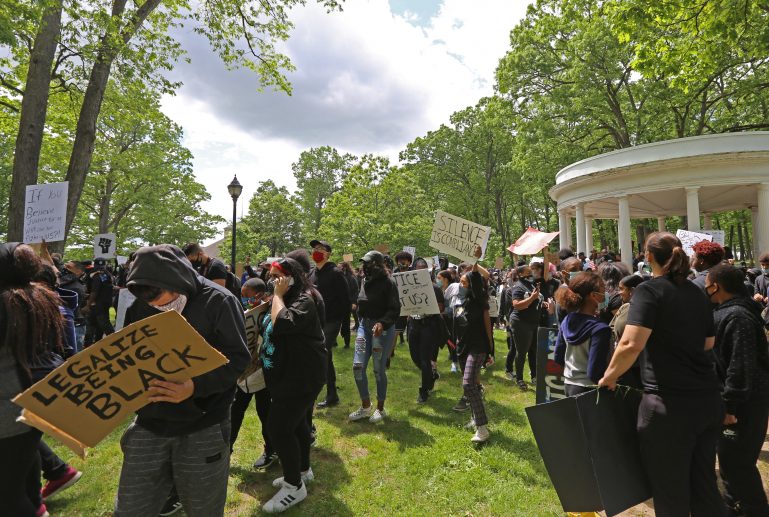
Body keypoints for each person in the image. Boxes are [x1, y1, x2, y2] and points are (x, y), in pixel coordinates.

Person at [114, 244, 249, 517]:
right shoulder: (140, 304)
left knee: (203, 508)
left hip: (203, 425)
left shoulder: (220, 301)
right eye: (151, 303)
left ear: (178, 278)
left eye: (162, 299)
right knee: (131, 508)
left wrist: (194, 387)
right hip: (149, 423)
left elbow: (238, 359)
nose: (157, 307)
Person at [598, 232, 725, 516]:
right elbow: (708, 344)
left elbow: (631, 343)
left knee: (670, 491)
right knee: (704, 484)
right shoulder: (698, 291)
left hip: (668, 407)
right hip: (707, 401)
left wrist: (609, 377)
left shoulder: (648, 291)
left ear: (649, 256)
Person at [0, 243, 65, 517]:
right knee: (22, 484)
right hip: (34, 403)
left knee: (8, 500)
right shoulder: (41, 298)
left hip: (8, 409)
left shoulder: (6, 304)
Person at [260, 258, 327, 513]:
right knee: (298, 424)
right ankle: (302, 470)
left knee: (278, 428)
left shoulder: (304, 300)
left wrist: (277, 295)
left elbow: (283, 322)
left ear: (290, 278)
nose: (272, 280)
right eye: (271, 275)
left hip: (301, 378)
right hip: (287, 376)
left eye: (277, 276)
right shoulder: (284, 298)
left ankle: (293, 486)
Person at [706, 264, 769, 516]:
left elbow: (739, 366)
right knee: (733, 464)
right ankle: (735, 507)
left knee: (737, 465)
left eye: (707, 284)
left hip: (744, 404)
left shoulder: (736, 317)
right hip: (743, 400)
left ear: (716, 286)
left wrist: (730, 406)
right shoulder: (735, 312)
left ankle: (753, 509)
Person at [349, 251, 401, 423]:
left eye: (369, 263)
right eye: (364, 264)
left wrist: (382, 323)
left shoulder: (389, 282)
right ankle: (365, 406)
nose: (365, 267)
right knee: (357, 366)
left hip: (382, 330)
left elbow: (394, 309)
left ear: (379, 264)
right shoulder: (365, 280)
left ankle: (380, 408)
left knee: (378, 369)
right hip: (365, 326)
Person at [230, 278, 276, 471]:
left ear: (259, 294)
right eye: (242, 296)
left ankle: (271, 450)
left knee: (265, 411)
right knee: (235, 410)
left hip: (264, 370)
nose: (245, 300)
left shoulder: (272, 309)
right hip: (244, 373)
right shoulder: (242, 312)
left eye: (248, 296)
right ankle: (226, 449)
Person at [553, 272, 611, 397]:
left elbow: (558, 356)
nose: (605, 295)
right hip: (591, 389)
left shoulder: (567, 320)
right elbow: (594, 370)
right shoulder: (601, 329)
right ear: (593, 295)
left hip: (569, 385)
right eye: (603, 291)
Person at [309, 239, 350, 409]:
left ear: (328, 253)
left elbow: (346, 300)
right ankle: (330, 393)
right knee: (322, 355)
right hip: (315, 320)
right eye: (314, 248)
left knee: (323, 351)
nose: (316, 251)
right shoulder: (311, 273)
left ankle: (330, 393)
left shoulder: (336, 272)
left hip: (332, 320)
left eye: (320, 248)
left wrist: (346, 328)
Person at [456, 262, 494, 443]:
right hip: (462, 348)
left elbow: (488, 328)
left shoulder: (479, 302)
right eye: (460, 282)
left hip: (478, 348)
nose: (461, 286)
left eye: (464, 283)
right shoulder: (460, 302)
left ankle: (482, 428)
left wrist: (490, 350)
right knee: (473, 386)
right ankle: (474, 417)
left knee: (468, 384)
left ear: (472, 285)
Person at [407, 258, 445, 404]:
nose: (421, 269)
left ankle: (424, 391)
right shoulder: (409, 287)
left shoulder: (434, 288)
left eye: (424, 267)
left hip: (428, 326)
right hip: (413, 325)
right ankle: (431, 374)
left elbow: (441, 307)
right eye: (418, 267)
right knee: (415, 357)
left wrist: (429, 308)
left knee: (424, 360)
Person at [508, 264, 545, 390]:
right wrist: (533, 297)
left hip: (533, 323)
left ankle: (534, 376)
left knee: (534, 351)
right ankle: (519, 379)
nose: (532, 272)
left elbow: (535, 300)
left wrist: (542, 303)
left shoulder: (532, 284)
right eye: (529, 271)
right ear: (521, 274)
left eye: (532, 270)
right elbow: (517, 305)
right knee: (522, 352)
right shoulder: (518, 286)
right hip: (521, 323)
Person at [609, 275, 647, 389]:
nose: (619, 293)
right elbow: (611, 327)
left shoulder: (646, 309)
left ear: (632, 290)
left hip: (638, 367)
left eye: (622, 289)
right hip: (621, 364)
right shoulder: (624, 307)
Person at [83, 257, 115, 347]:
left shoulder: (97, 275)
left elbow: (95, 292)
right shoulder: (108, 274)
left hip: (97, 304)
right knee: (95, 325)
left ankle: (115, 342)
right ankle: (94, 344)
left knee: (104, 326)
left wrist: (88, 305)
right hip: (105, 303)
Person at [58, 260, 87, 353]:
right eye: (65, 266)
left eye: (69, 267)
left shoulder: (75, 287)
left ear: (79, 272)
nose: (65, 269)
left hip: (75, 326)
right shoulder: (61, 282)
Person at [438, 269, 461, 373]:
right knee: (449, 340)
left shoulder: (453, 289)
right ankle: (453, 356)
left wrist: (441, 312)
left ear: (446, 279)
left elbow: (453, 308)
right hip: (445, 320)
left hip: (453, 320)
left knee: (453, 339)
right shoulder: (441, 289)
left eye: (439, 278)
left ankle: (455, 361)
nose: (437, 280)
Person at [338, 261, 359, 349]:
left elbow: (355, 291)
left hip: (347, 304)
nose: (338, 268)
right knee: (335, 323)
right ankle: (333, 342)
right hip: (337, 303)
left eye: (340, 267)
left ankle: (347, 343)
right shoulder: (337, 277)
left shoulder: (351, 278)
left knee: (346, 323)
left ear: (345, 268)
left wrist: (354, 302)